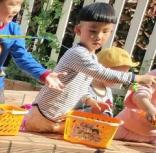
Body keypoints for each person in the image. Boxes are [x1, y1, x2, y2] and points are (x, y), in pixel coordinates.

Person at [25, 3, 156, 133]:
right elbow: (102, 73)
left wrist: (89, 100)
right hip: (43, 115)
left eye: (105, 31)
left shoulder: (92, 56)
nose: (99, 36)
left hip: (57, 118)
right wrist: (136, 78)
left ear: (111, 33)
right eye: (93, 31)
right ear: (78, 30)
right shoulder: (77, 53)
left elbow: (80, 87)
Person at [74, 47, 137, 117]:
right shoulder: (85, 87)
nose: (120, 80)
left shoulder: (108, 91)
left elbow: (108, 112)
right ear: (104, 71)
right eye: (118, 75)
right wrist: (92, 111)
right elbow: (71, 110)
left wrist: (108, 114)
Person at [115, 68, 156, 145]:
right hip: (126, 127)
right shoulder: (153, 75)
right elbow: (139, 92)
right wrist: (149, 108)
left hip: (152, 137)